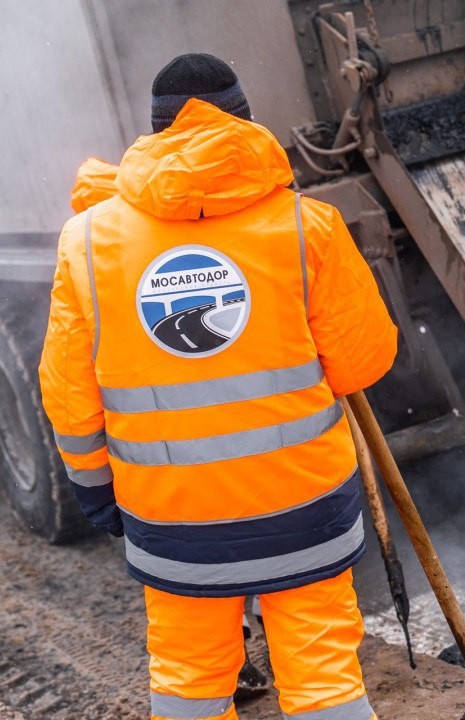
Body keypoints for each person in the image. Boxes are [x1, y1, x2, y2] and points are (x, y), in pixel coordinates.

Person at [40, 53, 397, 720]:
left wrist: (97, 495)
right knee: (323, 679)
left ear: (154, 132)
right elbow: (363, 365)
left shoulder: (85, 244)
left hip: (172, 523)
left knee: (188, 684)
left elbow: (69, 397)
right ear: (246, 122)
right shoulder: (305, 226)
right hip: (305, 511)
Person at [69, 155, 270, 699]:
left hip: (154, 471)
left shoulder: (94, 260)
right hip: (239, 452)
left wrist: (95, 486)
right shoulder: (181, 238)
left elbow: (73, 390)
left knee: (188, 581)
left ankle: (231, 661)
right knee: (242, 544)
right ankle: (247, 644)